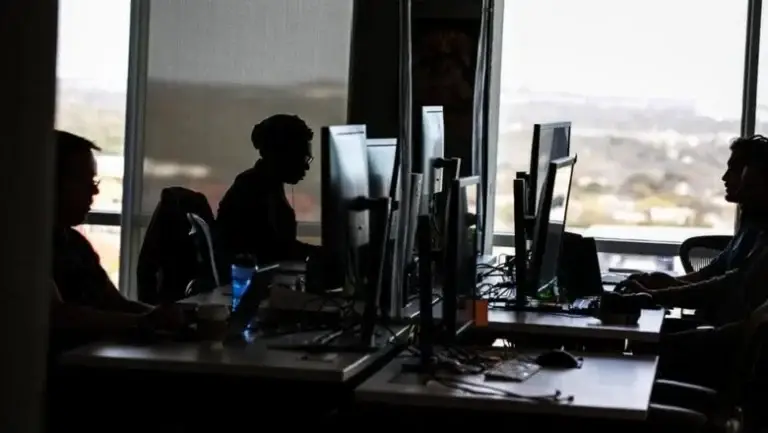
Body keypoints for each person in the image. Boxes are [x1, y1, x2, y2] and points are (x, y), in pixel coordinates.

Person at [50, 131, 186, 349]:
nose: (94, 190)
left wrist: (161, 316)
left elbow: (116, 302)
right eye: (84, 180)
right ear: (50, 182)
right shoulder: (24, 248)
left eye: (94, 180)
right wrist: (143, 321)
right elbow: (57, 315)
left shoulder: (74, 243)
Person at [621, 135, 768, 325]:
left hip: (730, 332)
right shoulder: (750, 221)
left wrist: (655, 295)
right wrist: (667, 283)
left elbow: (726, 288)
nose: (724, 177)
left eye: (733, 170)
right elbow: (713, 272)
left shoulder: (763, 234)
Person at [215, 114, 318, 266]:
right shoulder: (252, 190)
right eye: (303, 158)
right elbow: (274, 250)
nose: (307, 166)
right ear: (283, 154)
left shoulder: (263, 184)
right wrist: (321, 253)